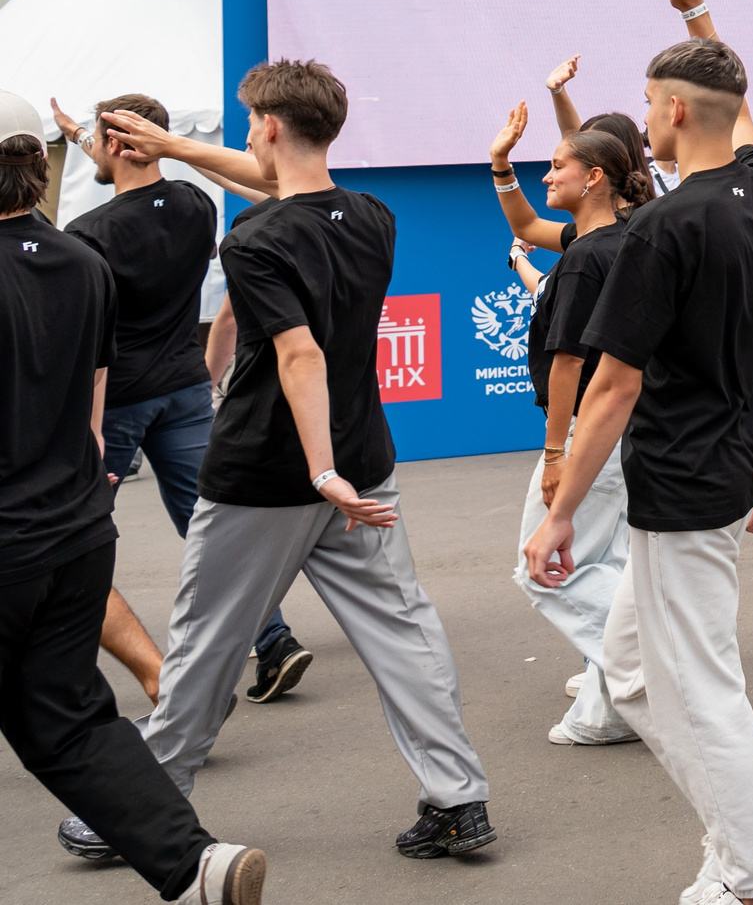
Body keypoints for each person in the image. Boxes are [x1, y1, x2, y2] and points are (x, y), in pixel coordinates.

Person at [91, 64, 493, 861]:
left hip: (270, 475)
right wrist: (173, 143)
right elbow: (288, 190)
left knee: (206, 643)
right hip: (362, 467)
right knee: (404, 631)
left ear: (271, 127)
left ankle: (148, 809)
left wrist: (319, 471)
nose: (243, 139)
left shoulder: (257, 239)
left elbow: (298, 353)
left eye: (248, 126)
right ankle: (459, 798)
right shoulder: (371, 216)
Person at [523, 0, 753, 905]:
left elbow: (611, 388)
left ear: (675, 113)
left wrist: (559, 510)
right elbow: (744, 108)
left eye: (647, 104)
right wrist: (697, 18)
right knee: (631, 675)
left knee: (703, 685)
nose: (644, 119)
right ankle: (748, 834)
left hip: (683, 483)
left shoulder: (662, 229)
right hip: (720, 465)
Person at [0, 91, 272, 905]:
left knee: (67, 722)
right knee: (72, 723)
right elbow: (88, 415)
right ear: (39, 164)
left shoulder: (95, 243)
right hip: (75, 536)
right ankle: (198, 866)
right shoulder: (79, 261)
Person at [52, 95, 310, 710]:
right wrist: (80, 136)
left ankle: (65, 670)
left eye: (96, 137)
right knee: (210, 526)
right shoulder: (195, 205)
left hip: (114, 401)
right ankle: (272, 640)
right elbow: (143, 172)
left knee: (73, 537)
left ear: (117, 144)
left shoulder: (87, 235)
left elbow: (84, 341)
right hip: (185, 388)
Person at [487, 107, 650, 748]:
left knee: (546, 567)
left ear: (596, 178)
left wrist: (557, 452)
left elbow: (569, 364)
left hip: (592, 432)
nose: (546, 174)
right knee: (601, 559)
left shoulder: (586, 259)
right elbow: (527, 222)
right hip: (625, 431)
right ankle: (607, 711)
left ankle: (653, 664)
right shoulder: (628, 238)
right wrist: (502, 165)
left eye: (557, 166)